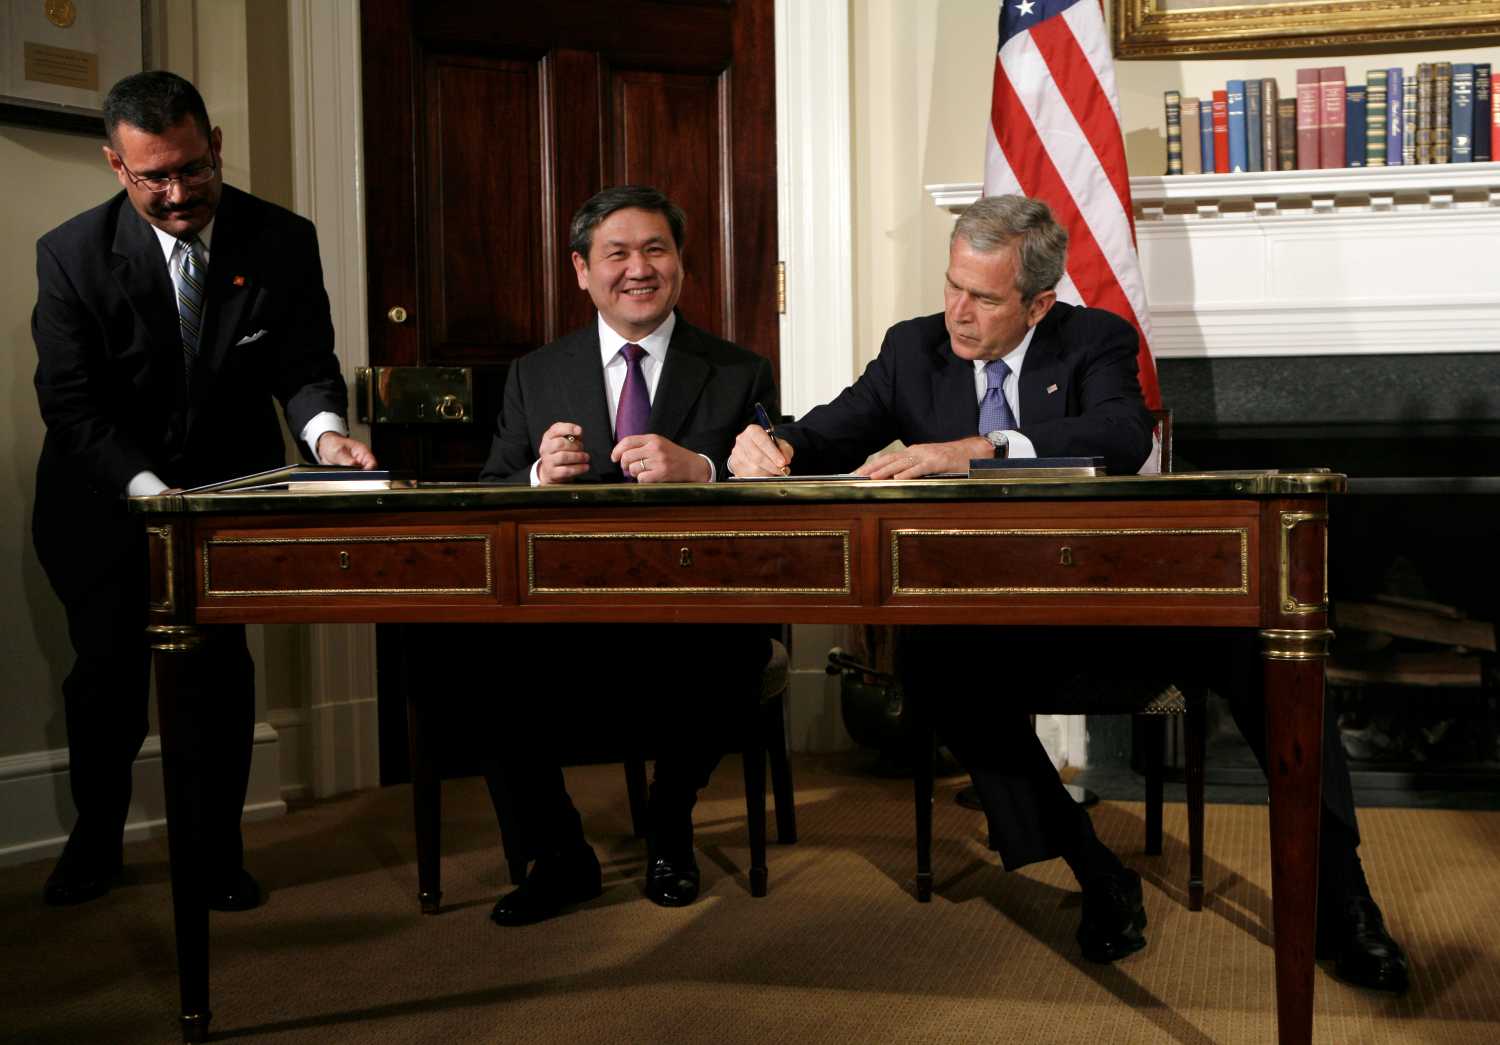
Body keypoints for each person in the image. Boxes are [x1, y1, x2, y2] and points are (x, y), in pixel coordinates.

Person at [728, 194, 1409, 992]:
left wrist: (979, 447)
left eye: (983, 298)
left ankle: (1345, 899)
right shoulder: (913, 349)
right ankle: (1096, 871)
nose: (958, 311)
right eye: (952, 285)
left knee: (1271, 652)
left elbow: (1122, 433)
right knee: (932, 663)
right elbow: (831, 429)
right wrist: (774, 443)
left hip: (1117, 609)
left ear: (1038, 303)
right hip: (998, 620)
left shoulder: (1094, 339)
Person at [32, 71, 376, 911]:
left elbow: (305, 366)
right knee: (106, 681)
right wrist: (154, 492)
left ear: (215, 144)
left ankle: (217, 853)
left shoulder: (281, 239)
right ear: (117, 165)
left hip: (227, 500)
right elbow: (72, 407)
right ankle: (95, 838)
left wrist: (325, 433)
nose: (180, 193)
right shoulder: (72, 254)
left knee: (219, 678)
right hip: (103, 501)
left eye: (193, 167)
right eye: (155, 176)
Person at [479, 185, 773, 925]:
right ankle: (560, 854)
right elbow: (490, 493)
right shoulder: (535, 373)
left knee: (726, 648)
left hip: (695, 609)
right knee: (477, 656)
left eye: (655, 250)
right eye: (617, 253)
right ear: (582, 270)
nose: (638, 269)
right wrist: (538, 474)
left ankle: (671, 827)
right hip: (568, 611)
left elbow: (771, 493)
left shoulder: (737, 371)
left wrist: (703, 468)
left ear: (680, 263)